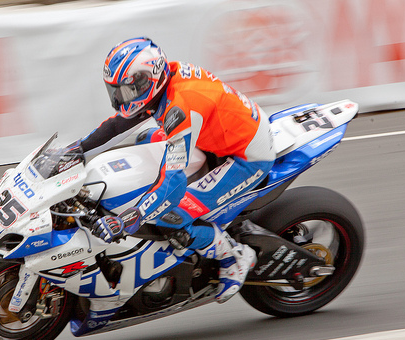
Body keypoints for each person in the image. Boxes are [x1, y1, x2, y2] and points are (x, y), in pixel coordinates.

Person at [81, 37, 275, 303]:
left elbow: (171, 185)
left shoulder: (179, 108)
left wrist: (129, 218)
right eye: (115, 91)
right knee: (144, 139)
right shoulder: (163, 81)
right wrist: (77, 150)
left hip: (246, 157)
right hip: (215, 138)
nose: (119, 99)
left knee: (170, 218)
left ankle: (234, 256)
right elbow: (118, 124)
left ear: (147, 80)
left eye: (125, 91)